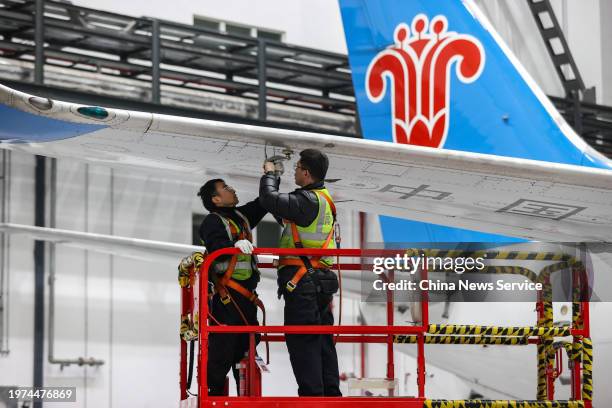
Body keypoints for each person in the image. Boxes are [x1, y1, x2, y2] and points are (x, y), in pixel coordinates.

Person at [259, 149, 341, 396]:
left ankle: (313, 398)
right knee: (323, 341)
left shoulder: (307, 200)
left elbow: (269, 199)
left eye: (296, 168)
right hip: (319, 281)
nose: (294, 170)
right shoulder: (324, 199)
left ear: (306, 172)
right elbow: (287, 215)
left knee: (303, 342)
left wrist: (270, 175)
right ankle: (330, 395)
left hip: (303, 283)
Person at [197, 179, 267, 396]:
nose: (232, 189)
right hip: (226, 299)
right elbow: (216, 245)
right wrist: (232, 246)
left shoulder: (241, 216)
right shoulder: (211, 222)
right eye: (225, 188)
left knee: (246, 352)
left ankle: (245, 399)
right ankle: (214, 398)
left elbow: (263, 203)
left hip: (247, 299)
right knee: (221, 354)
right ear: (216, 199)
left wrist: (271, 177)